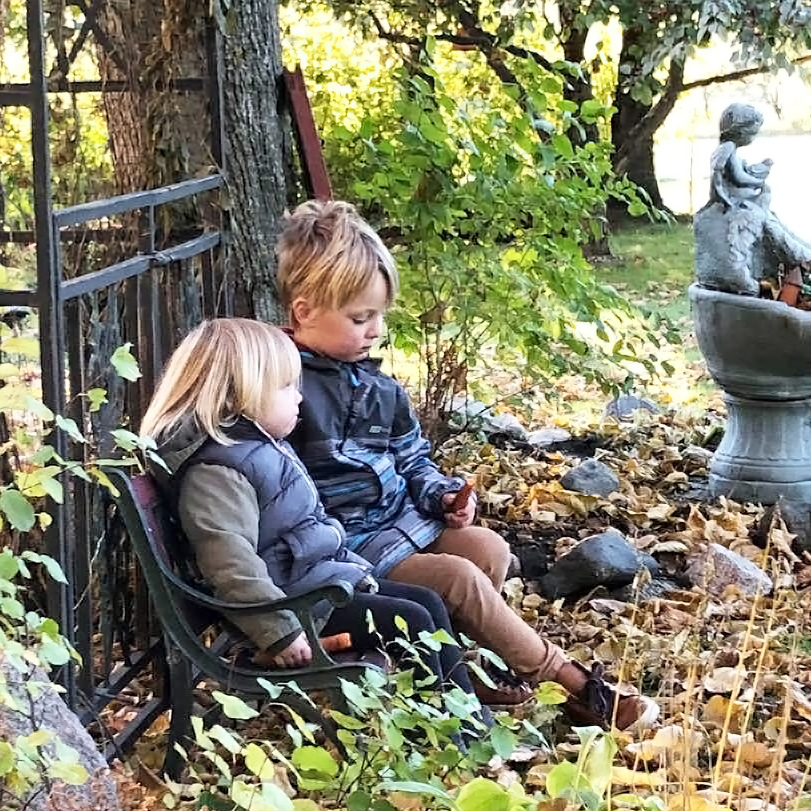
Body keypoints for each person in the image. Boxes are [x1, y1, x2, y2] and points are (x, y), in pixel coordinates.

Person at [277, 200, 660, 731]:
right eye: (360, 318)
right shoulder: (281, 386)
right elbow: (279, 489)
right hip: (343, 553)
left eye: (380, 316)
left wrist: (443, 495)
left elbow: (414, 460)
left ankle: (458, 665)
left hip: (399, 528)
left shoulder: (379, 387)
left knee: (487, 547)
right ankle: (572, 685)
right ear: (303, 312)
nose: (374, 330)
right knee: (458, 578)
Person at [139, 318, 480, 710]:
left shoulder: (253, 447)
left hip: (312, 587)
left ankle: (464, 721)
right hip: (293, 607)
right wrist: (279, 633)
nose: (299, 398)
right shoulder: (217, 471)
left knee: (427, 604)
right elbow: (231, 565)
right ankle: (445, 734)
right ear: (241, 395)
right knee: (413, 621)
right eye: (287, 387)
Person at [707, 103, 772, 212]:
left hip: (736, 191)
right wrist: (759, 182)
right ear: (741, 132)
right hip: (733, 194)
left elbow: (738, 172)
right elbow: (739, 177)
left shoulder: (730, 149)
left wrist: (760, 168)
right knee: (765, 193)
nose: (754, 138)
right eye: (753, 133)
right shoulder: (728, 147)